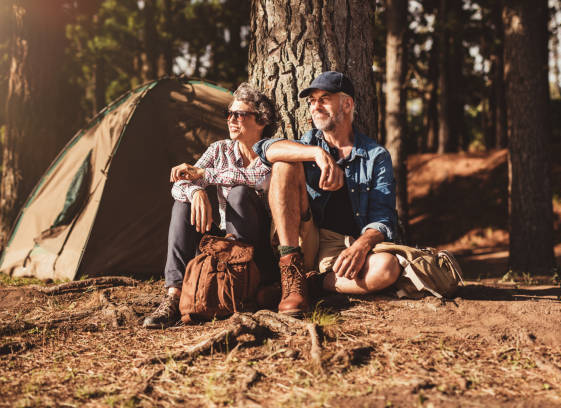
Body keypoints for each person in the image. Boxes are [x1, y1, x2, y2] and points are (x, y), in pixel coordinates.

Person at [253, 71, 401, 316]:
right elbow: (264, 148)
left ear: (347, 103)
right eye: (312, 101)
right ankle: (291, 275)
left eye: (324, 98)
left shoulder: (376, 156)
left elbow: (383, 218)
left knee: (386, 268)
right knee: (283, 164)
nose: (315, 106)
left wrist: (361, 246)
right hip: (302, 237)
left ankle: (312, 285)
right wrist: (316, 154)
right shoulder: (309, 142)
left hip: (340, 248)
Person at [143, 83, 279, 328]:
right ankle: (173, 296)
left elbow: (253, 178)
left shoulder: (270, 150)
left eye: (240, 115)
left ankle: (238, 289)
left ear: (261, 121)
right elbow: (179, 185)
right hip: (224, 243)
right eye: (229, 114)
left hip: (259, 253)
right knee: (182, 205)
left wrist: (205, 174)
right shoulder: (219, 150)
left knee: (238, 194)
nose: (231, 120)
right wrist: (196, 191)